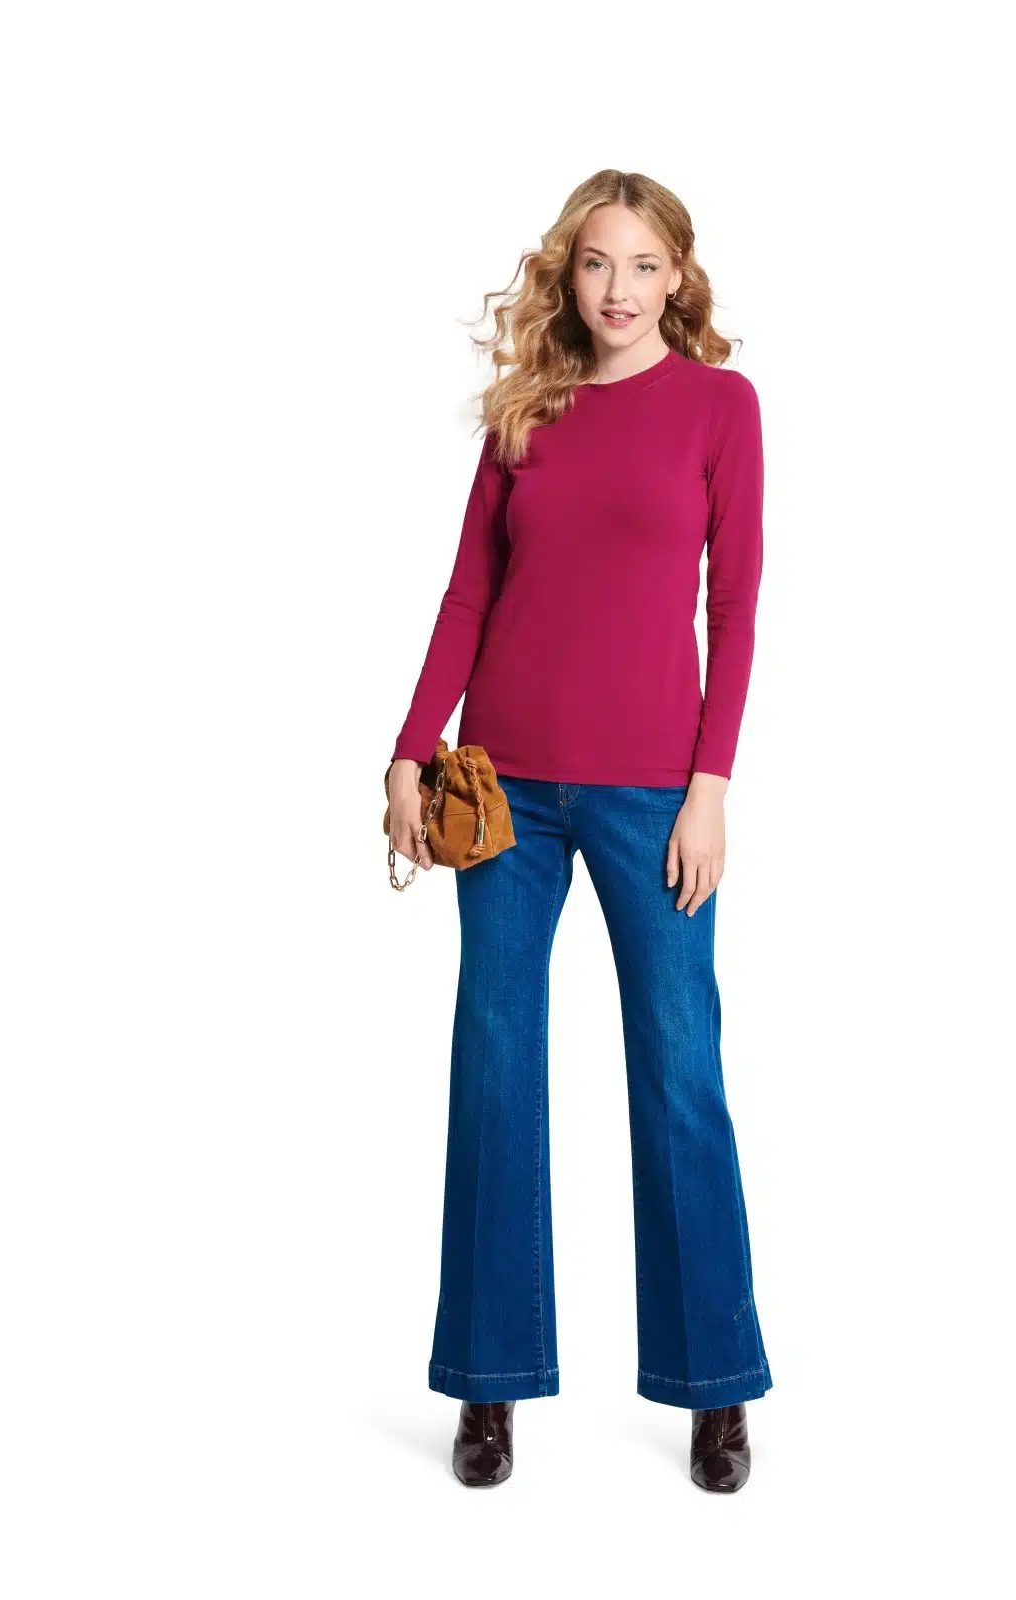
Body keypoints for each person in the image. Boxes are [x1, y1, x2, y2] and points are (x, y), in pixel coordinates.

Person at [386, 169, 770, 1493]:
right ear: (570, 272)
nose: (618, 288)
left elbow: (739, 603)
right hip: (502, 787)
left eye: (643, 265)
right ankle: (487, 1384)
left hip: (655, 793)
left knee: (679, 1073)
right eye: (598, 262)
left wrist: (711, 785)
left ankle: (714, 1386)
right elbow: (468, 591)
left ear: (678, 277)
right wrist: (410, 745)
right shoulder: (526, 411)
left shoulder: (721, 407)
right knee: (494, 1072)